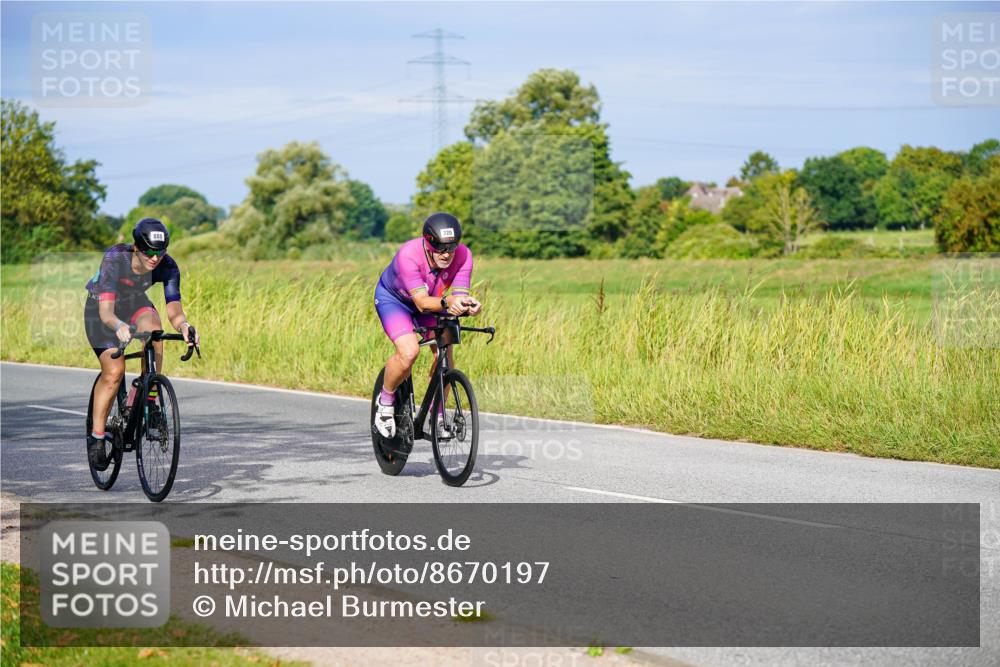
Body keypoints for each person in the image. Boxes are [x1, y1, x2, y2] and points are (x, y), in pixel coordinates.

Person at [83, 218, 200, 470]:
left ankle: (149, 394)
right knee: (114, 372)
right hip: (101, 309)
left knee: (156, 331)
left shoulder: (168, 266)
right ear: (136, 247)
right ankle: (97, 436)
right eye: (149, 251)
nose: (155, 258)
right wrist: (118, 326)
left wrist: (184, 327)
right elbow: (106, 312)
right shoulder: (117, 257)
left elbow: (174, 310)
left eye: (160, 251)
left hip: (135, 303)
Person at [373, 212, 481, 438]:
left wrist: (467, 304)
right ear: (427, 242)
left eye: (451, 247)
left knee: (446, 355)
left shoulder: (463, 256)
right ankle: (385, 402)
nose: (446, 254)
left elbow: (459, 294)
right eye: (440, 247)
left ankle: (438, 413)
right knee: (409, 352)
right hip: (396, 302)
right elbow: (421, 304)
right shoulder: (409, 255)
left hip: (433, 301)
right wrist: (447, 302)